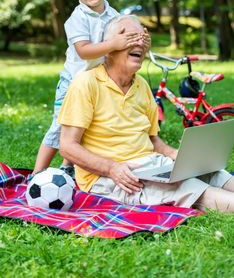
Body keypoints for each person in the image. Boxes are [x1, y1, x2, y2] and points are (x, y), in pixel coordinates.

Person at [58, 15, 234, 212]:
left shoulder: (141, 85)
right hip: (110, 177)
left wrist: (174, 154)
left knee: (214, 174)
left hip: (151, 166)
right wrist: (111, 167)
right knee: (187, 187)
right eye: (130, 37)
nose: (139, 42)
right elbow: (67, 146)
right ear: (108, 47)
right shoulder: (86, 84)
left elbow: (152, 140)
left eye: (142, 37)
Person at [33, 0, 150, 178]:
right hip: (73, 81)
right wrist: (114, 44)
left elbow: (124, 44)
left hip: (98, 82)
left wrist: (139, 39)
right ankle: (38, 172)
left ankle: (67, 167)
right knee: (61, 126)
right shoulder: (77, 19)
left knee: (85, 125)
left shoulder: (115, 16)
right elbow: (84, 51)